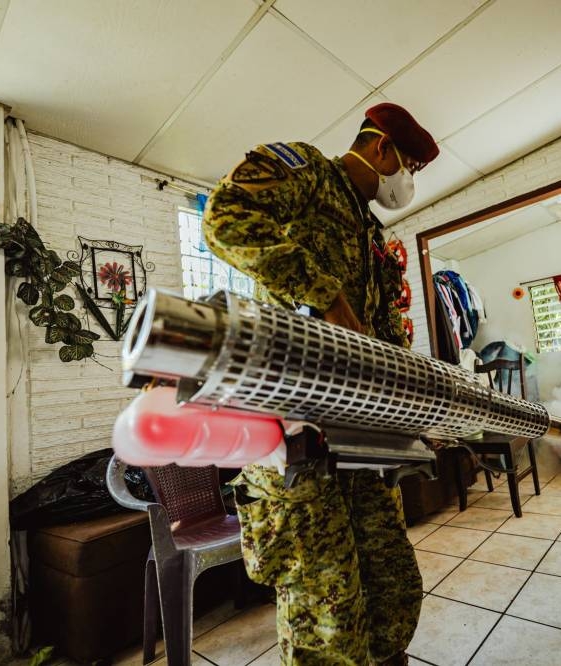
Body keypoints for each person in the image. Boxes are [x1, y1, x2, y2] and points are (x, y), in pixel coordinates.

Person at [202, 103, 439, 665]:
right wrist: (322, 292)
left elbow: (380, 333)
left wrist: (409, 402)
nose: (406, 180)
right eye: (408, 164)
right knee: (326, 610)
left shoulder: (371, 233)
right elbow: (225, 217)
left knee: (392, 588)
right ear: (381, 149)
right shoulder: (306, 171)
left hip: (364, 437)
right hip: (298, 432)